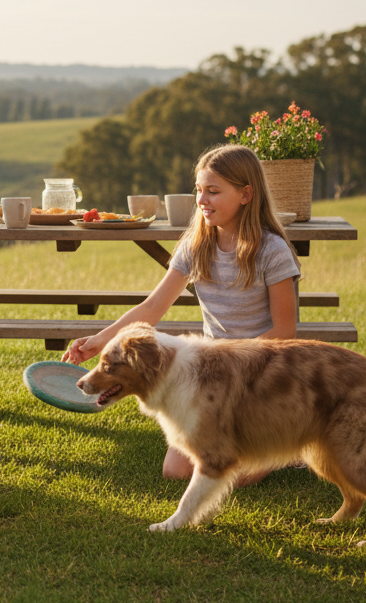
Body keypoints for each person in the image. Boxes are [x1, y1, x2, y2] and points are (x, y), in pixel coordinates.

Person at [61, 143, 301, 485]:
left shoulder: (272, 251)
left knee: (238, 476)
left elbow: (285, 330)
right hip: (214, 373)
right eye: (199, 190)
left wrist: (232, 361)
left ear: (246, 194)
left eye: (213, 191)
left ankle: (289, 445)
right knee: (175, 471)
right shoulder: (196, 245)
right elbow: (152, 308)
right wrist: (100, 341)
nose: (202, 200)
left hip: (264, 373)